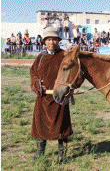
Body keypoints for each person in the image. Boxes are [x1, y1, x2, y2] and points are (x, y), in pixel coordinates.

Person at [30, 27, 73, 163]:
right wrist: (37, 84)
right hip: (43, 98)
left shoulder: (65, 56)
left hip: (59, 97)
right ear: (45, 42)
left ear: (58, 41)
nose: (52, 42)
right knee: (40, 125)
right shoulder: (40, 57)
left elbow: (71, 73)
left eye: (54, 39)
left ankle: (62, 154)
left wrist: (67, 89)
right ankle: (40, 151)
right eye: (49, 39)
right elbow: (33, 73)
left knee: (62, 126)